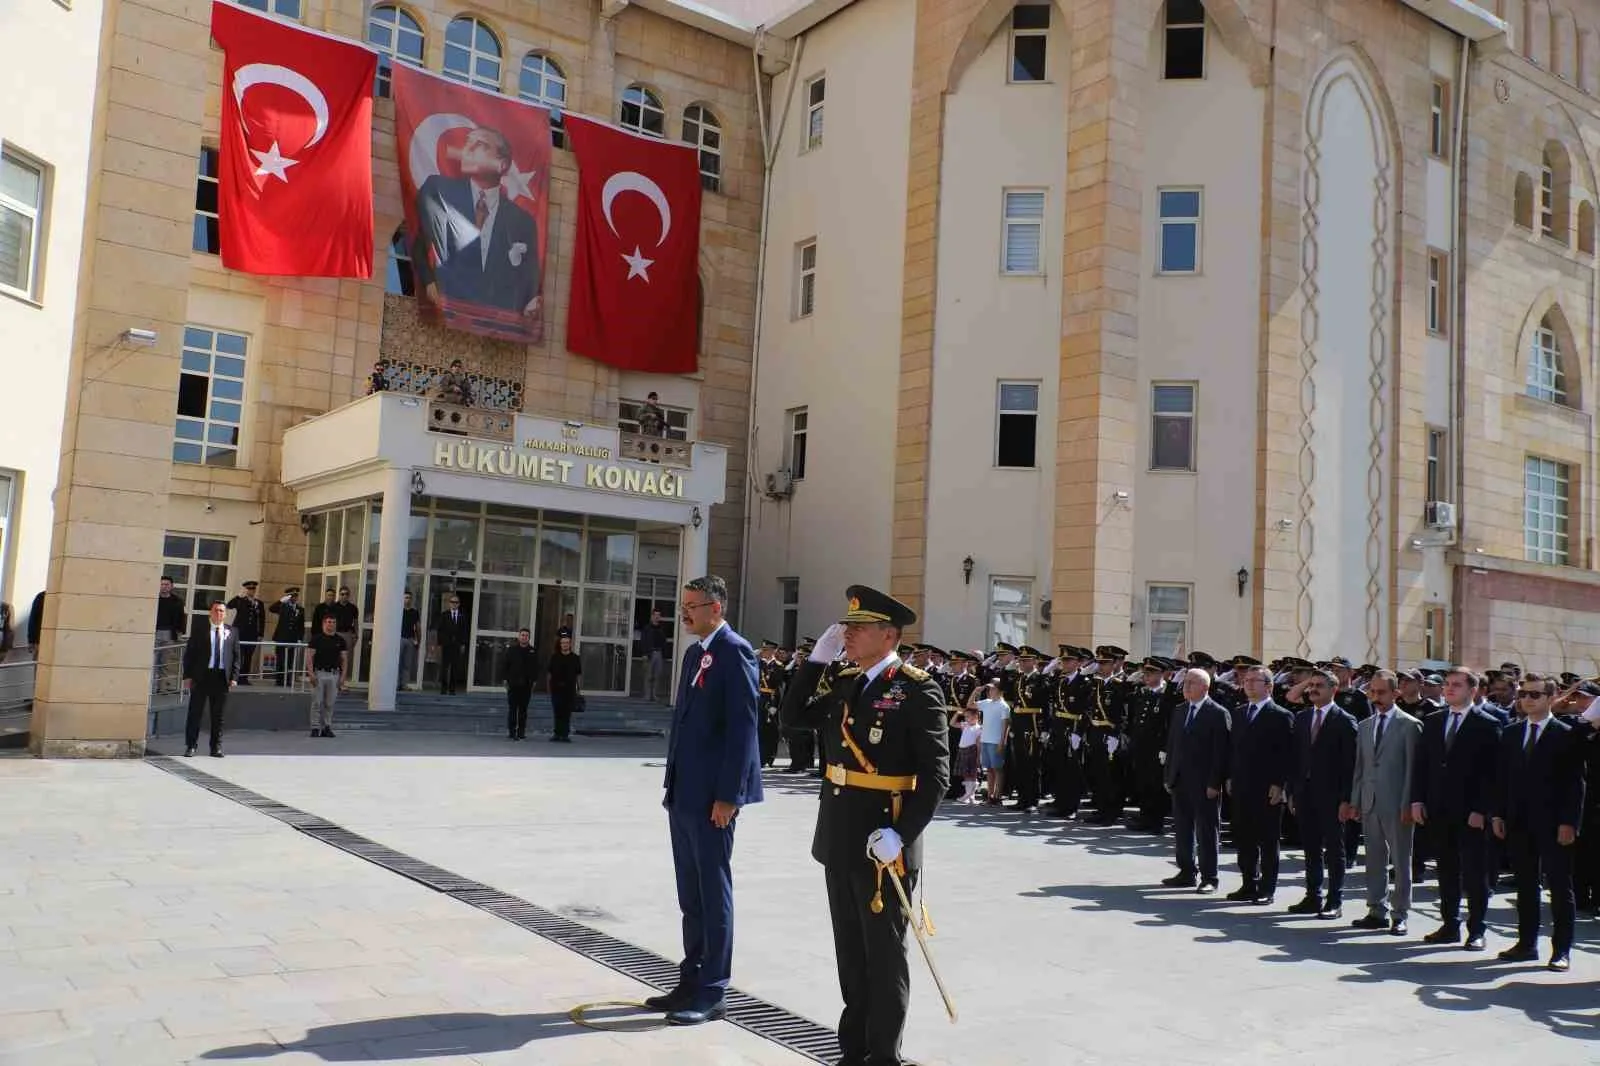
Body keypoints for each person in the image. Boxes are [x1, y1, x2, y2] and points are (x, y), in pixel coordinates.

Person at [779, 585, 948, 1066]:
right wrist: (814, 663)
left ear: (889, 635)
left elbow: (936, 774)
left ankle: (883, 1056)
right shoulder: (846, 680)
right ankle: (853, 1051)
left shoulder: (915, 687)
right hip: (839, 836)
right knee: (851, 955)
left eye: (858, 628)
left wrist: (902, 834)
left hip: (884, 842)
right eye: (846, 627)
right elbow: (793, 719)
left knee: (884, 956)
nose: (847, 635)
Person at [646, 575, 762, 1026]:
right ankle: (690, 979)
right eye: (684, 605)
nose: (684, 613)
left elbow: (743, 729)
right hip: (684, 793)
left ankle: (713, 991)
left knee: (713, 894)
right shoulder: (696, 653)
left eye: (692, 605)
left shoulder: (736, 651)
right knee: (690, 895)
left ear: (716, 607)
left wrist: (729, 796)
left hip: (714, 798)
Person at [1491, 674, 1584, 971]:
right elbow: (1501, 779)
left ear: (1550, 697)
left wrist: (1569, 822)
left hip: (1555, 823)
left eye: (1534, 695)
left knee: (1559, 886)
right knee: (1526, 886)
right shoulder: (1511, 733)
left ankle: (1561, 950)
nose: (1527, 700)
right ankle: (1526, 944)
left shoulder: (1566, 733)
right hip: (1519, 821)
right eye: (1523, 694)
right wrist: (1498, 814)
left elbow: (1575, 783)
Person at [1412, 666, 1501, 951]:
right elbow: (1422, 764)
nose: (1449, 689)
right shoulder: (1434, 720)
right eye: (1448, 684)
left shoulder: (1488, 723)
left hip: (1471, 812)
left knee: (1475, 873)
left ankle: (1477, 929)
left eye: (1457, 685)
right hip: (1438, 808)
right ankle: (1450, 924)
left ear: (1472, 690)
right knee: (1446, 869)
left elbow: (1493, 773)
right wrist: (1417, 800)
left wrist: (1482, 809)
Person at [412, 126, 541, 317]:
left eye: (479, 144)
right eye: (467, 143)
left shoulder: (522, 222)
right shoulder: (440, 192)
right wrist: (429, 282)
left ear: (502, 165)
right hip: (445, 313)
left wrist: (531, 301)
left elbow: (529, 278)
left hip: (495, 327)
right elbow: (421, 244)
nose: (467, 149)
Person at [1346, 670, 1421, 935]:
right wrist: (1355, 800)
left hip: (1397, 803)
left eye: (1382, 692)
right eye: (1372, 692)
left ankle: (1400, 914)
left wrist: (1408, 803)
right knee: (1374, 858)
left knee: (1401, 860)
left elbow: (1413, 769)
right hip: (1369, 801)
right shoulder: (1365, 725)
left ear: (1395, 694)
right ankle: (1376, 909)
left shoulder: (1410, 725)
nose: (1376, 697)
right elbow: (1361, 766)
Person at [1287, 670, 1358, 919]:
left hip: (1332, 797)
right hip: (1305, 793)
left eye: (1319, 685)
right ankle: (1312, 896)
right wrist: (1293, 792)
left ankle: (1334, 900)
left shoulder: (1344, 720)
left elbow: (1350, 765)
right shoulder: (1303, 718)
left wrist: (1346, 799)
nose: (1313, 689)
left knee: (1335, 850)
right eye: (1312, 685)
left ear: (1333, 690)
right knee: (1310, 848)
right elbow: (1295, 758)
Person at [1227, 665, 1296, 905]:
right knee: (1244, 837)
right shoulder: (1238, 713)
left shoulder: (1281, 715)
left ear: (1269, 686)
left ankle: (1267, 888)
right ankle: (1248, 883)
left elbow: (1287, 755)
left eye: (1254, 681)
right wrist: (1230, 777)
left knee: (1267, 839)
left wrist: (1280, 784)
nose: (1248, 684)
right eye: (1246, 680)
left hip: (1268, 788)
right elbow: (1233, 750)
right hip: (1242, 785)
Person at [1162, 668, 1231, 893]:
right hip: (1180, 779)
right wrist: (1168, 776)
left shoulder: (1217, 713)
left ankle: (1210, 877)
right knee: (1182, 828)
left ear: (1205, 687)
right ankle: (1186, 871)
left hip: (1205, 783)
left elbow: (1221, 753)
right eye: (1185, 682)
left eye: (1192, 682)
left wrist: (1215, 783)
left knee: (1207, 830)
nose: (1186, 686)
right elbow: (1172, 746)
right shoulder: (1180, 710)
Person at [181, 600, 237, 758]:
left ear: (225, 614)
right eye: (216, 610)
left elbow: (236, 657)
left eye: (222, 611)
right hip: (202, 676)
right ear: (210, 613)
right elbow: (189, 655)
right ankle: (191, 746)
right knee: (195, 713)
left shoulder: (232, 632)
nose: (219, 614)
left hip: (221, 678)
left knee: (218, 715)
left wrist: (234, 677)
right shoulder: (200, 630)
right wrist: (188, 676)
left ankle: (216, 747)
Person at [304, 614, 347, 739]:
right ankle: (315, 728)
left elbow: (344, 659)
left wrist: (343, 677)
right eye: (329, 622)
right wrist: (311, 673)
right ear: (324, 623)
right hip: (319, 674)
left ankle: (327, 727)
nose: (331, 624)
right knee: (317, 702)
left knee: (330, 703)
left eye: (333, 622)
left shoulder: (340, 640)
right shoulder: (316, 639)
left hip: (334, 675)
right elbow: (309, 658)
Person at [973, 680, 1010, 805]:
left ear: (1000, 691)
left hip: (995, 741)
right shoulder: (987, 703)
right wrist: (975, 692)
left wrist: (1002, 742)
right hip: (985, 739)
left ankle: (997, 796)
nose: (990, 691)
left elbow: (1005, 726)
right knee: (989, 769)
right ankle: (990, 796)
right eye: (990, 689)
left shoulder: (1004, 706)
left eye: (993, 689)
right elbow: (969, 705)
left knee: (997, 769)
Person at [225, 580, 266, 684]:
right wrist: (238, 596)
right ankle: (234, 677)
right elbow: (229, 605)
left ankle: (244, 678)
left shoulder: (259, 603)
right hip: (240, 633)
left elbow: (262, 619)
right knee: (238, 656)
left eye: (253, 589)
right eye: (249, 589)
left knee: (248, 656)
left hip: (252, 634)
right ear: (246, 590)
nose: (251, 591)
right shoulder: (240, 601)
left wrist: (260, 633)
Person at [503, 628, 538, 741]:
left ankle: (521, 732)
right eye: (522, 635)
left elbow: (536, 668)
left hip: (526, 685)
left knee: (523, 710)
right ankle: (512, 732)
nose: (524, 637)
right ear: (519, 637)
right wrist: (505, 680)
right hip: (513, 684)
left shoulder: (532, 651)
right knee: (512, 709)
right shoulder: (512, 650)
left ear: (529, 637)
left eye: (526, 635)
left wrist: (534, 681)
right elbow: (505, 666)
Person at [545, 631, 581, 742]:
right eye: (563, 643)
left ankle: (565, 734)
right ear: (560, 644)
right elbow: (549, 673)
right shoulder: (555, 657)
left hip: (569, 690)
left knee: (567, 713)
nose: (565, 645)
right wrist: (548, 687)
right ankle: (557, 733)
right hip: (556, 689)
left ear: (570, 644)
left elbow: (578, 674)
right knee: (557, 712)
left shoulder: (575, 658)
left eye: (567, 643)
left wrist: (578, 689)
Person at [268, 587, 305, 687]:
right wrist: (280, 601)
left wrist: (300, 638)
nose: (294, 598)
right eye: (292, 596)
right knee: (280, 660)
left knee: (290, 661)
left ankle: (288, 681)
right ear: (288, 597)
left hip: (292, 639)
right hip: (281, 637)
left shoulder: (300, 609)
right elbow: (271, 609)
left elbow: (301, 626)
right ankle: (279, 681)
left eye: (296, 596)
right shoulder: (283, 606)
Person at [434, 593, 468, 695]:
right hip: (446, 645)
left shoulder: (462, 616)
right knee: (444, 667)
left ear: (459, 604)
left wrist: (463, 644)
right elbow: (440, 630)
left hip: (457, 645)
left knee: (455, 667)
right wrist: (440, 643)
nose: (454, 604)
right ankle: (443, 689)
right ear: (449, 604)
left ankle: (452, 689)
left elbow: (465, 630)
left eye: (456, 602)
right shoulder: (444, 615)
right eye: (452, 602)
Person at [642, 608, 671, 702]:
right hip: (650, 653)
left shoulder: (661, 628)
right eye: (655, 615)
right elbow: (643, 641)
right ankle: (647, 695)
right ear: (652, 616)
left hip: (659, 653)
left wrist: (665, 654)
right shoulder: (647, 628)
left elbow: (664, 642)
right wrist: (645, 653)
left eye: (658, 615)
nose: (657, 617)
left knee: (657, 675)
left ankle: (654, 694)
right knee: (648, 675)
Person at [399, 590, 421, 690]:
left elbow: (417, 626)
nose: (407, 599)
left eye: (409, 598)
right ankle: (396, 683)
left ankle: (404, 684)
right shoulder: (399, 610)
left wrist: (418, 640)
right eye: (406, 597)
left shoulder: (414, 612)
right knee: (398, 662)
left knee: (407, 663)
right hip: (400, 638)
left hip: (410, 639)